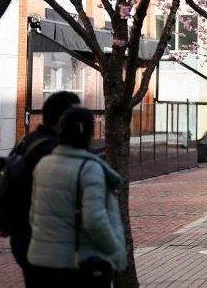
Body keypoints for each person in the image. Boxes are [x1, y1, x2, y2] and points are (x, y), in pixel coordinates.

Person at [28, 107, 127, 286]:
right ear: (89, 133)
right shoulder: (89, 169)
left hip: (41, 263)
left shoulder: (43, 165)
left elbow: (33, 215)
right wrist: (115, 249)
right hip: (77, 264)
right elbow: (95, 220)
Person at [0, 91, 79, 287]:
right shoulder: (53, 149)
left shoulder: (27, 141)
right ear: (63, 119)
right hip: (46, 242)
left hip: (23, 238)